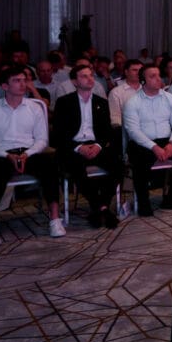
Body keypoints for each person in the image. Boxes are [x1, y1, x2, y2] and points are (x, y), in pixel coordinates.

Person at [0, 67, 64, 246]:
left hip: (28, 152)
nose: (23, 84)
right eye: (17, 81)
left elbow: (42, 140)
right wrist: (7, 155)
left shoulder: (35, 107)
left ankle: (55, 219)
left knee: (49, 164)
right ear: (5, 86)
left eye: (24, 80)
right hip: (2, 154)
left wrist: (27, 154)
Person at [123, 64, 172, 216]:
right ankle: (144, 203)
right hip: (142, 143)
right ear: (143, 81)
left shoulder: (169, 98)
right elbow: (133, 131)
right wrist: (153, 147)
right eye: (153, 76)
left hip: (166, 141)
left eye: (158, 75)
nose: (158, 79)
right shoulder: (133, 102)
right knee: (139, 160)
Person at [53, 65, 122, 229]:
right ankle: (100, 207)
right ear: (74, 81)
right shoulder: (64, 102)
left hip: (95, 146)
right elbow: (58, 134)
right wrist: (78, 148)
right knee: (76, 169)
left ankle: (101, 206)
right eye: (84, 76)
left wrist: (98, 146)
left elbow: (107, 131)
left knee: (118, 165)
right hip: (74, 148)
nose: (90, 79)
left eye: (91, 75)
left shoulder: (101, 102)